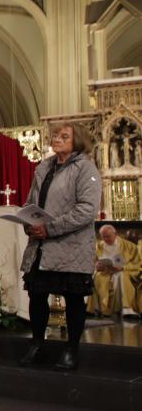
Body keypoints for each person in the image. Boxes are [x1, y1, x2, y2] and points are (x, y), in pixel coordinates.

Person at [18, 122, 101, 371]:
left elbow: (87, 209)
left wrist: (51, 227)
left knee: (73, 299)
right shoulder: (44, 166)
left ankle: (71, 349)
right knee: (37, 295)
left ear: (77, 142)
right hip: (41, 246)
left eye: (64, 136)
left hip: (70, 245)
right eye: (55, 135)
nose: (57, 139)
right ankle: (37, 345)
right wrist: (27, 222)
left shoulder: (85, 168)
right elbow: (31, 200)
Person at [87, 224, 141, 319]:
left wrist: (123, 267)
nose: (106, 239)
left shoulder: (129, 246)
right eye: (103, 237)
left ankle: (125, 308)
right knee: (97, 277)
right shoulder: (98, 246)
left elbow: (137, 263)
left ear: (115, 234)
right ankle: (98, 309)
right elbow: (93, 261)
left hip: (122, 271)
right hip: (105, 272)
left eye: (108, 236)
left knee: (121, 276)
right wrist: (97, 266)